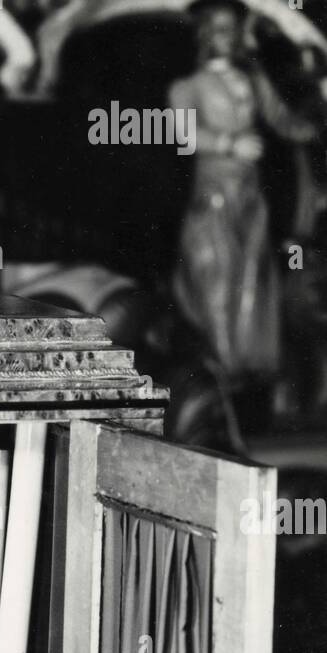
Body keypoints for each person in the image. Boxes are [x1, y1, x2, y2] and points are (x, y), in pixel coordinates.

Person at [170, 1, 316, 381]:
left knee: (252, 279)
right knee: (216, 279)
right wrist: (228, 143)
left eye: (232, 28)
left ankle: (250, 371)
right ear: (203, 33)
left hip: (251, 198)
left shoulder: (251, 80)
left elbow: (283, 120)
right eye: (218, 28)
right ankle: (223, 370)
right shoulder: (187, 87)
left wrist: (316, 125)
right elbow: (184, 135)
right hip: (213, 196)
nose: (227, 36)